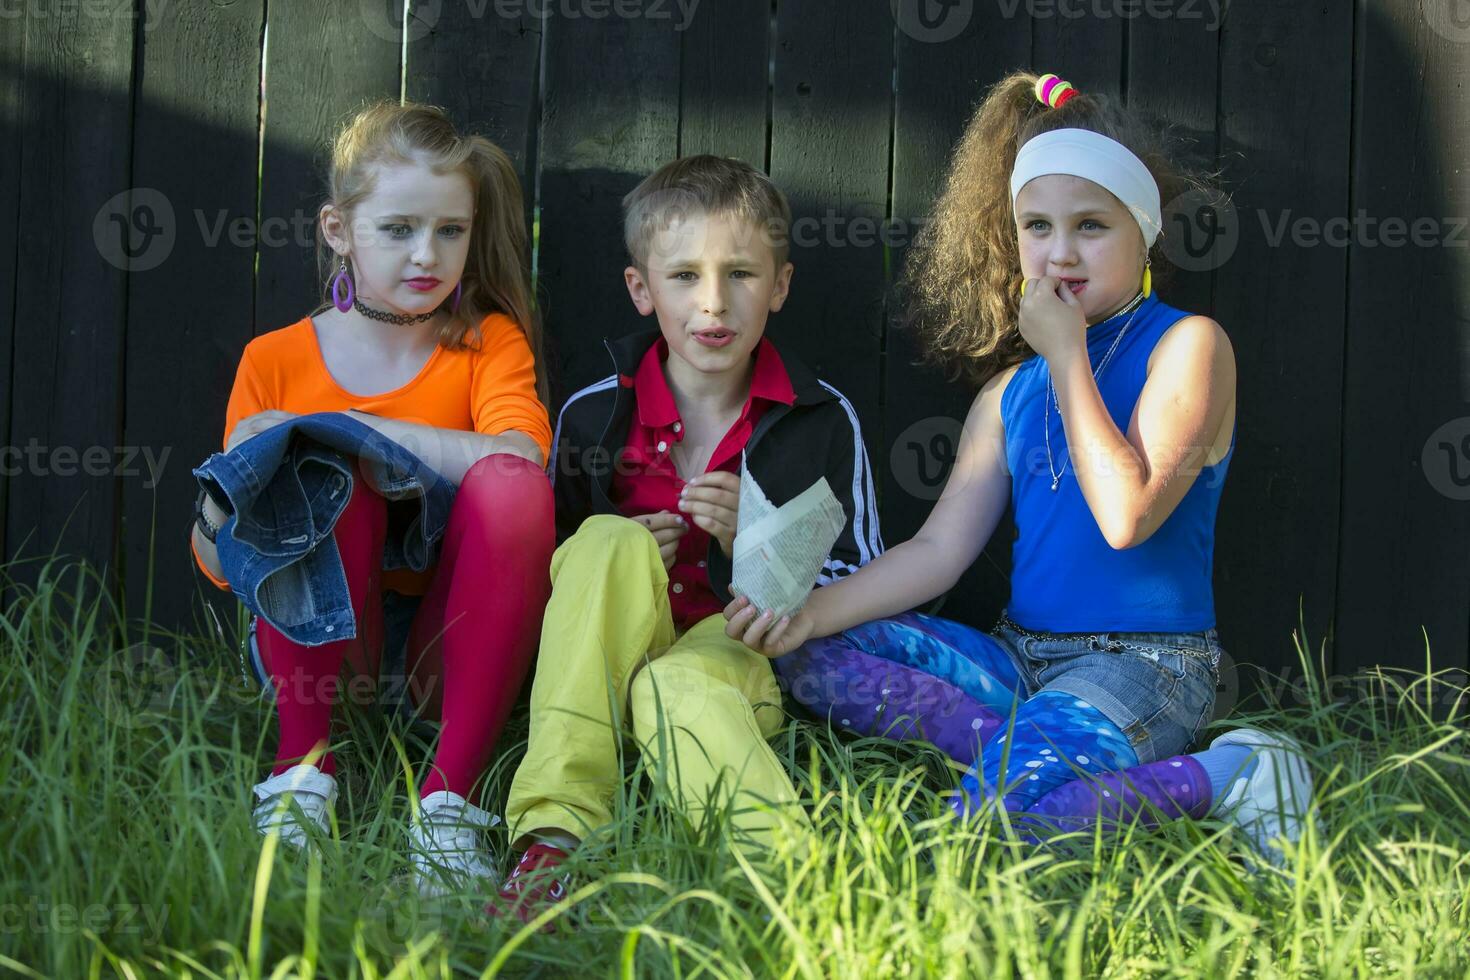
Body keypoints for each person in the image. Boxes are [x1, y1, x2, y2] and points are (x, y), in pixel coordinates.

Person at [724, 72, 1319, 868]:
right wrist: (808, 611)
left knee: (986, 833)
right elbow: (937, 553)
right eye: (1038, 226)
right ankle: (1035, 753)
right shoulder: (1011, 391)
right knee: (811, 651)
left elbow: (1126, 516)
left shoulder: (1189, 347)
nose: (1062, 251)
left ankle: (1231, 773)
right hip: (1020, 661)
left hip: (1144, 665)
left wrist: (1069, 357)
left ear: (1143, 235)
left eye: (1092, 227)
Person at [488, 155, 884, 927]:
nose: (714, 303)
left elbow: (859, 574)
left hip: (736, 656)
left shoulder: (820, 417)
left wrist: (759, 535)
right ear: (642, 290)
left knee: (676, 686)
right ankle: (554, 837)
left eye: (740, 274)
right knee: (605, 542)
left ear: (780, 286)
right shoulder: (594, 413)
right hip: (602, 656)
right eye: (683, 277)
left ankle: (798, 893)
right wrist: (619, 547)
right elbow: (548, 571)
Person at [190, 103, 555, 893]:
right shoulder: (275, 360)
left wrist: (345, 427)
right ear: (337, 229)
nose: (428, 255)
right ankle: (299, 785)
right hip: (318, 652)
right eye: (398, 229)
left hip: (447, 653)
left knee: (509, 484)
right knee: (317, 460)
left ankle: (449, 808)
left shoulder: (488, 344)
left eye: (451, 232)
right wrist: (235, 490)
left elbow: (521, 458)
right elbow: (218, 566)